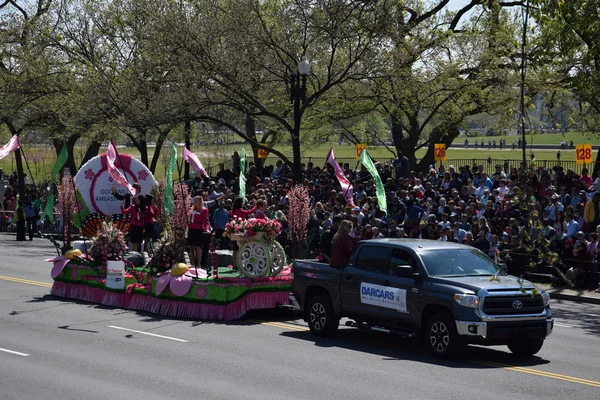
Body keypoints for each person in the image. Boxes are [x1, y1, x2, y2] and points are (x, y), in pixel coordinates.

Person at [187, 196, 209, 268]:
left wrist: (206, 229)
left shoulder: (204, 210)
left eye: (196, 201)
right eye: (194, 200)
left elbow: (205, 221)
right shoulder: (192, 209)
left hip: (199, 229)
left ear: (200, 202)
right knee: (191, 246)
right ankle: (193, 263)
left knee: (198, 247)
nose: (194, 202)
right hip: (191, 229)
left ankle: (199, 263)